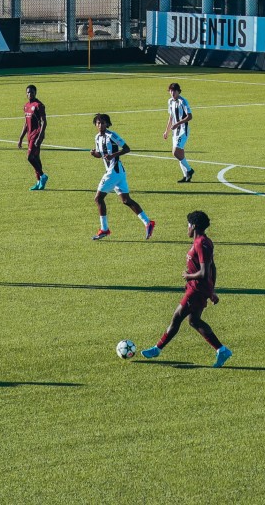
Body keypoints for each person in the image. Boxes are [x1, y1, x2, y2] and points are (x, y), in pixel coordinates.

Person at [139, 210, 234, 367]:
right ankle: (222, 350)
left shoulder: (201, 243)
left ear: (194, 226)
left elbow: (204, 272)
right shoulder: (204, 241)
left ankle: (157, 349)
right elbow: (213, 268)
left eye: (188, 225)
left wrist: (189, 276)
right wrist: (212, 290)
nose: (187, 228)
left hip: (196, 289)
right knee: (194, 321)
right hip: (200, 288)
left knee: (177, 317)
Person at [89, 113, 155, 241]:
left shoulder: (112, 136)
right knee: (126, 200)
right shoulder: (97, 137)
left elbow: (126, 148)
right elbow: (100, 154)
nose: (100, 125)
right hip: (118, 173)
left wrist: (113, 155)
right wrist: (94, 154)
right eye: (98, 123)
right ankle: (148, 222)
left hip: (114, 171)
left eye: (103, 123)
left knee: (98, 198)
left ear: (107, 124)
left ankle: (104, 229)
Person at [15, 83, 48, 190]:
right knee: (36, 158)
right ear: (26, 94)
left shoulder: (39, 105)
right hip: (30, 135)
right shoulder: (26, 106)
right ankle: (39, 182)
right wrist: (20, 138)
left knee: (30, 157)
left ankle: (43, 176)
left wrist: (40, 136)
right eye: (28, 92)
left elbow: (44, 122)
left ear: (35, 93)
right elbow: (26, 123)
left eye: (32, 92)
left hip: (37, 134)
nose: (30, 94)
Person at [164, 81, 195, 183]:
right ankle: (186, 176)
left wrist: (178, 124)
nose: (172, 93)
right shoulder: (170, 101)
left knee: (175, 152)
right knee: (180, 154)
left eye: (174, 91)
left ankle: (189, 170)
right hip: (175, 131)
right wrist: (166, 131)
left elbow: (190, 116)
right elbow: (171, 116)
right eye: (171, 91)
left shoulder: (183, 101)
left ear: (178, 91)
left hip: (182, 130)